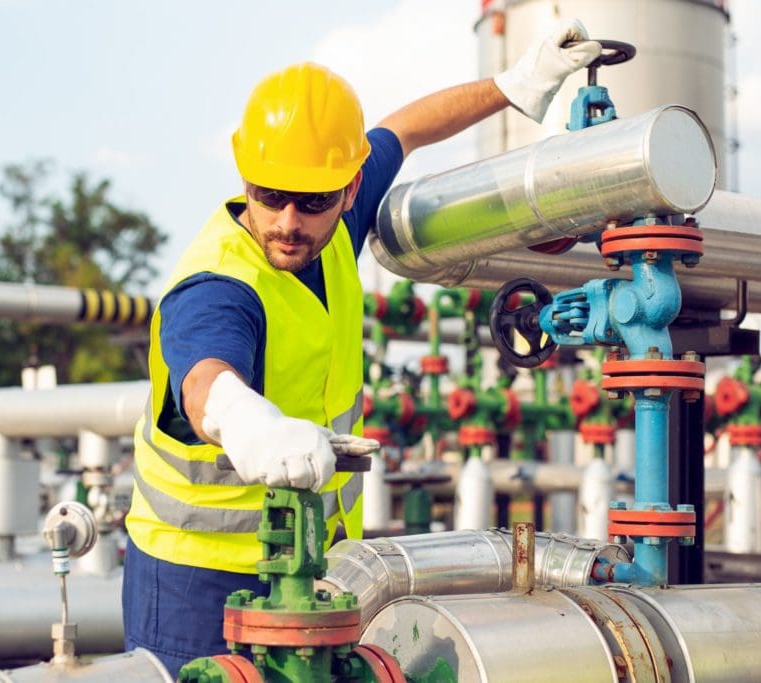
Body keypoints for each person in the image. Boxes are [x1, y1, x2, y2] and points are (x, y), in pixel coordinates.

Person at [123, 18, 602, 676]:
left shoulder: (339, 222)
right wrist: (242, 418)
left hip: (305, 561)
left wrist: (514, 85)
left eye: (312, 200)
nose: (288, 221)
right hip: (192, 577)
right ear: (245, 174)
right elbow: (205, 376)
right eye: (270, 195)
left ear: (350, 188)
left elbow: (404, 128)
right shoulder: (218, 283)